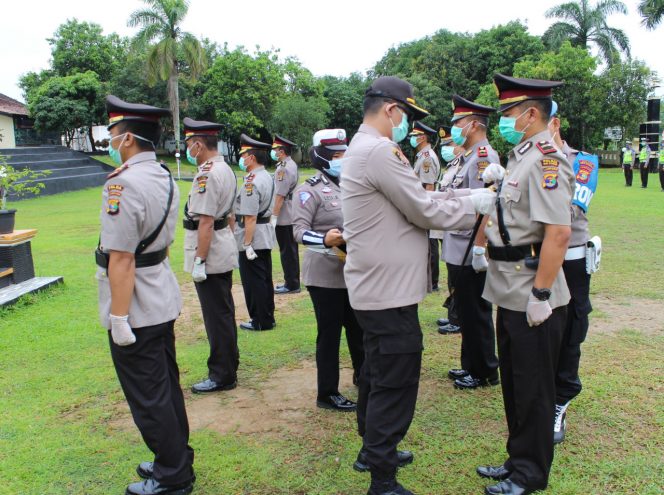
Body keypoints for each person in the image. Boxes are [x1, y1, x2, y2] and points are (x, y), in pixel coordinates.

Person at [341, 75, 496, 495]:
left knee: (375, 373)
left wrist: (467, 202)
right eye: (406, 115)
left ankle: (373, 452)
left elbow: (417, 203)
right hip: (386, 291)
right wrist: (474, 205)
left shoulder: (363, 148)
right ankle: (383, 479)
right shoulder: (379, 151)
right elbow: (423, 209)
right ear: (392, 110)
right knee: (394, 380)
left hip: (377, 288)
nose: (406, 124)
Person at [475, 74, 574, 495]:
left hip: (534, 293)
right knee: (516, 385)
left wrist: (541, 295)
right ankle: (517, 460)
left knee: (534, 389)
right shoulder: (522, 157)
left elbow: (558, 234)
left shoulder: (547, 160)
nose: (505, 121)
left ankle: (530, 475)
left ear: (531, 114)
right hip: (509, 290)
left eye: (509, 113)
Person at [96, 95, 194, 495]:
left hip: (136, 304)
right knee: (165, 388)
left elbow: (120, 259)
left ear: (129, 138)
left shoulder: (122, 183)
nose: (111, 141)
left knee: (149, 396)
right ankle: (174, 458)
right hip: (160, 294)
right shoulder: (164, 176)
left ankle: (173, 477)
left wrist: (119, 318)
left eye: (114, 135)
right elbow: (162, 246)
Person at [291, 128, 364, 412]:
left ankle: (363, 374)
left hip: (354, 271)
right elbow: (298, 232)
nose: (343, 159)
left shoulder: (352, 183)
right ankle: (328, 392)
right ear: (322, 157)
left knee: (358, 329)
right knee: (330, 334)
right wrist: (323, 239)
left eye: (345, 154)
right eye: (336, 155)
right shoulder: (309, 190)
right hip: (325, 275)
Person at [547, 101, 599, 444]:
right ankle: (540, 394)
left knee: (570, 330)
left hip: (572, 259)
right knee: (542, 328)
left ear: (556, 123)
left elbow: (568, 212)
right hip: (540, 258)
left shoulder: (583, 161)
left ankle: (559, 402)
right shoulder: (528, 160)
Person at [442, 95, 500, 390]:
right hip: (457, 243)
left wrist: (480, 248)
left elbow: (485, 208)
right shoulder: (465, 157)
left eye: (458, 123)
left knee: (475, 311)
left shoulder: (483, 158)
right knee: (464, 309)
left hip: (469, 246)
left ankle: (484, 370)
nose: (454, 128)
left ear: (474, 125)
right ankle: (470, 365)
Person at [182, 117, 240, 394]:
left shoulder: (207, 173)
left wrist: (199, 261)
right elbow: (229, 215)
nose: (188, 150)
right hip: (222, 244)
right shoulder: (226, 169)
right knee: (224, 313)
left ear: (198, 144)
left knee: (217, 317)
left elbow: (205, 222)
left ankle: (222, 374)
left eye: (189, 145)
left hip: (211, 251)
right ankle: (228, 365)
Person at [235, 134, 276, 331]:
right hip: (264, 232)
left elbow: (249, 217)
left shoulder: (251, 182)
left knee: (254, 281)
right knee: (265, 278)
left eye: (243, 155)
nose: (241, 158)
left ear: (251, 157)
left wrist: (247, 243)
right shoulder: (266, 175)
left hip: (253, 235)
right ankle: (268, 316)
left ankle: (260, 319)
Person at [435, 130, 466, 333]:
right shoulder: (454, 164)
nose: (446, 148)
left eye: (449, 144)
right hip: (451, 227)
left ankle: (458, 319)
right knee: (453, 277)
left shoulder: (468, 163)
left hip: (462, 231)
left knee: (460, 280)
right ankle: (453, 314)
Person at [409, 121, 442, 291]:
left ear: (422, 137)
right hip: (422, 204)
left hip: (426, 204)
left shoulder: (427, 157)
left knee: (430, 244)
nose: (412, 139)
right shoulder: (422, 156)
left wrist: (424, 211)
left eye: (414, 136)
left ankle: (432, 281)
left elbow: (428, 186)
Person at [271, 135, 301, 294]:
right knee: (290, 249)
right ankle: (292, 281)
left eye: (276, 150)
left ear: (282, 151)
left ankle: (292, 284)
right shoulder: (290, 164)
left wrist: (274, 217)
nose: (274, 152)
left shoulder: (283, 168)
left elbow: (280, 195)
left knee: (287, 251)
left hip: (285, 215)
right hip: (290, 212)